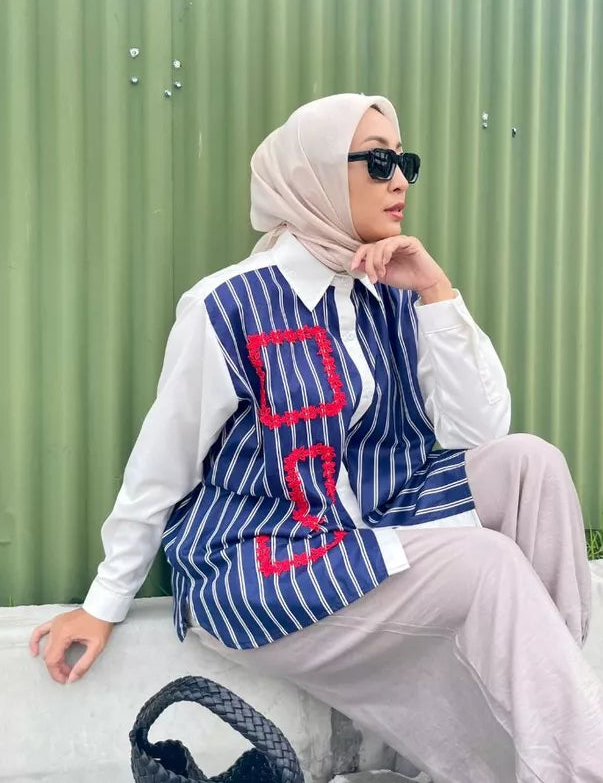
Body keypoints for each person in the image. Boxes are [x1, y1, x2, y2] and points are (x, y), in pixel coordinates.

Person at [31, 94, 602, 782]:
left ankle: (560, 708)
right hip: (261, 563)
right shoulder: (228, 305)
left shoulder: (390, 288)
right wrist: (102, 604)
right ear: (315, 174)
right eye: (379, 162)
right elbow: (163, 463)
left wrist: (436, 290)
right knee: (486, 565)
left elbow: (480, 430)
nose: (399, 182)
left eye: (405, 163)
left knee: (531, 465)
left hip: (369, 522)